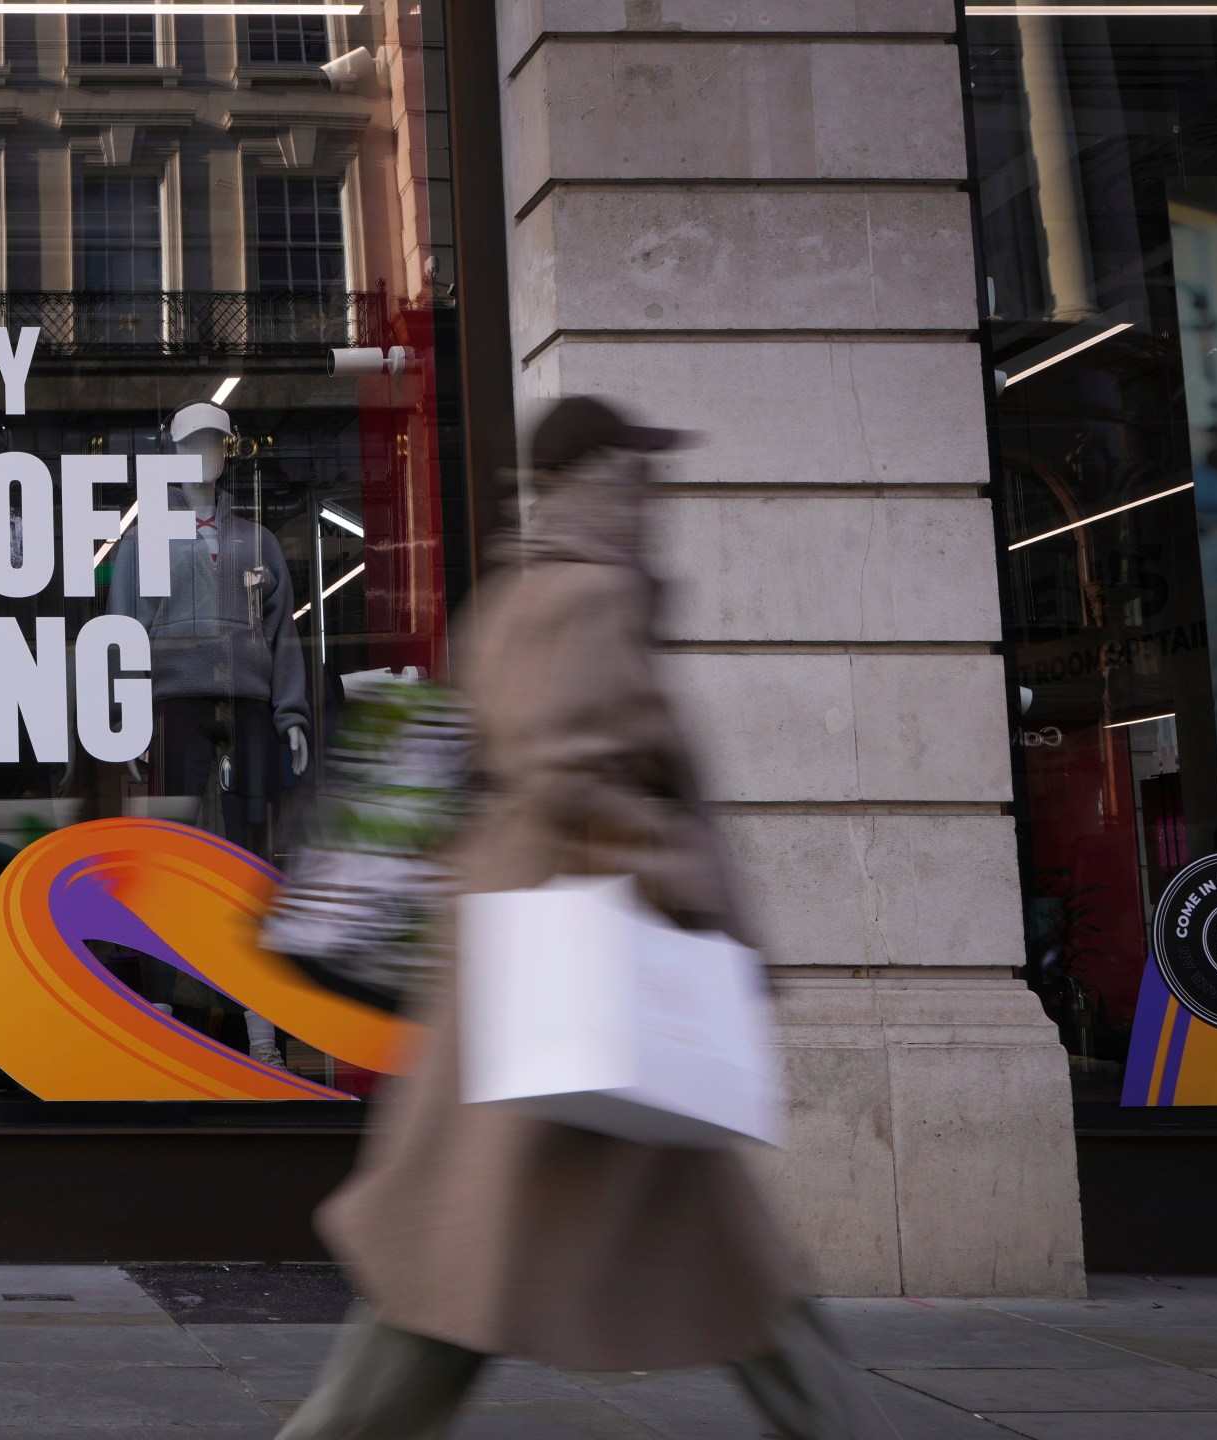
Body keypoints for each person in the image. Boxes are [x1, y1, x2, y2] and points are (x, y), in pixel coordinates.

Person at [281, 397, 894, 1440]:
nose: (652, 492)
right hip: (589, 965)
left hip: (537, 963)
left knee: (479, 1262)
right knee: (494, 1265)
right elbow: (570, 771)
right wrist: (685, 879)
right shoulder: (592, 593)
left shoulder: (522, 587)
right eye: (636, 470)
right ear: (599, 473)